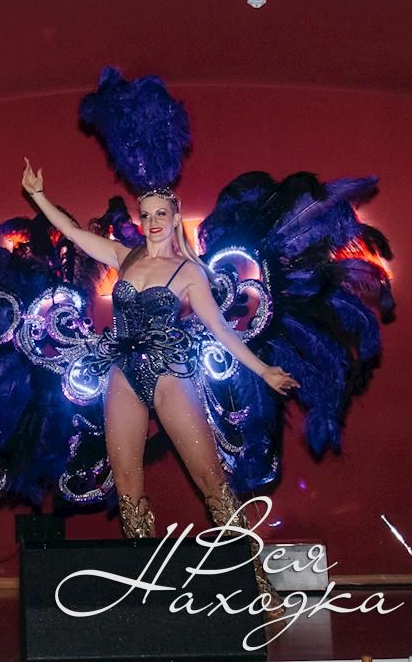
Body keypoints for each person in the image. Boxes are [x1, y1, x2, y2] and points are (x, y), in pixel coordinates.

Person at [21, 158, 299, 609]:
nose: (152, 222)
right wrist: (37, 196)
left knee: (210, 478)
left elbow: (221, 330)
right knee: (127, 484)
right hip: (122, 370)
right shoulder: (124, 255)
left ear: (174, 217)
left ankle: (256, 581)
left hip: (171, 371)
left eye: (160, 214)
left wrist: (263, 370)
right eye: (146, 214)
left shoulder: (189, 272)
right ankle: (146, 590)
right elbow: (71, 232)